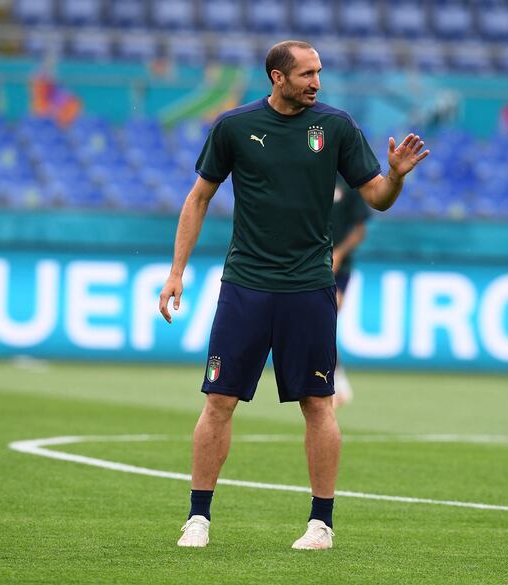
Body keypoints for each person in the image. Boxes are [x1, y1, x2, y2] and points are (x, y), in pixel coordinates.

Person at [158, 40, 429, 549]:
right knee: (218, 400)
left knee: (317, 403)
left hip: (308, 286)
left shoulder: (337, 127)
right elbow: (198, 199)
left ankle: (321, 524)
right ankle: (198, 519)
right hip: (245, 285)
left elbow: (378, 198)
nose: (316, 82)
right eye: (306, 74)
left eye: (319, 72)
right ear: (277, 78)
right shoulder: (233, 127)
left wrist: (394, 177)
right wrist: (177, 272)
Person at [331, 177, 371, 408]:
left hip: (338, 267)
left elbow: (359, 231)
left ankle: (335, 382)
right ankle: (336, 381)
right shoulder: (306, 173)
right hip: (306, 262)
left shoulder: (347, 183)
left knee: (325, 317)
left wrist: (339, 253)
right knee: (316, 322)